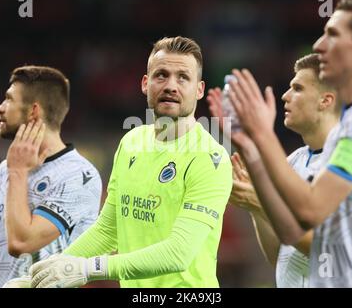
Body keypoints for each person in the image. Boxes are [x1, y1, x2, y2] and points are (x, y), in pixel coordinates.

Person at [25, 36, 232, 288]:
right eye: (161, 75)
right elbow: (108, 229)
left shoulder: (210, 158)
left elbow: (179, 253)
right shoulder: (131, 142)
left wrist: (89, 269)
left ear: (199, 89)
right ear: (145, 84)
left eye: (183, 77)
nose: (170, 86)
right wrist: (42, 275)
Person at [227, 0, 352, 287]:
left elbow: (310, 212)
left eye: (333, 35)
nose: (320, 45)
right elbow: (290, 242)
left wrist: (261, 135)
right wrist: (256, 171)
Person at [208, 54, 340, 287]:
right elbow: (279, 257)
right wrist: (255, 208)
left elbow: (330, 250)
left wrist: (261, 202)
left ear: (325, 100)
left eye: (297, 88)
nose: (285, 96)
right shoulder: (292, 162)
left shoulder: (347, 164)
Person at [0, 65, 102, 288]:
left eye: (8, 100)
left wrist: (18, 172)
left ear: (33, 111)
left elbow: (20, 243)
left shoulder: (79, 175)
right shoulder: (5, 168)